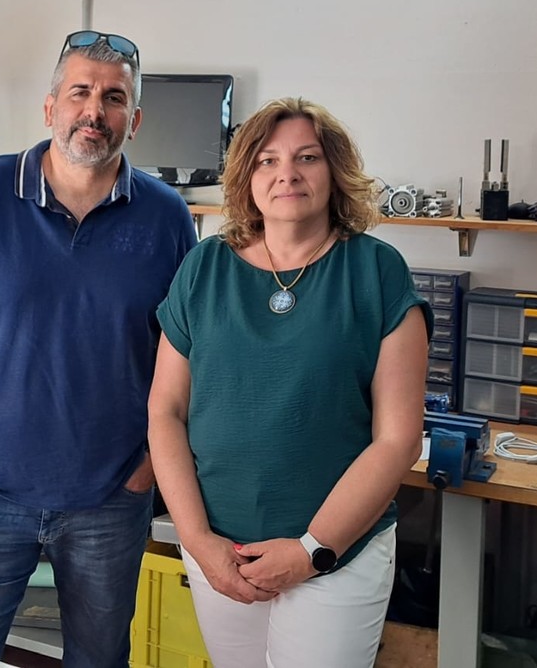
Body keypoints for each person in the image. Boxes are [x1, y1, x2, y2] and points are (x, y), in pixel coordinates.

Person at [0, 30, 197, 667]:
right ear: (50, 107)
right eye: (80, 92)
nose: (95, 111)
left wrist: (145, 471)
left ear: (135, 120)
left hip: (111, 499)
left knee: (99, 659)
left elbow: (186, 351)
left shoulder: (167, 216)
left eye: (113, 98)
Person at [149, 97, 429, 668]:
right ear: (246, 176)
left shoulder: (377, 271)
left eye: (307, 157)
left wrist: (311, 551)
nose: (287, 174)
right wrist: (197, 540)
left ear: (335, 171)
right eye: (267, 160)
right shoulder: (204, 267)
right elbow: (165, 411)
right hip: (222, 549)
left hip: (336, 555)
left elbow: (398, 439)